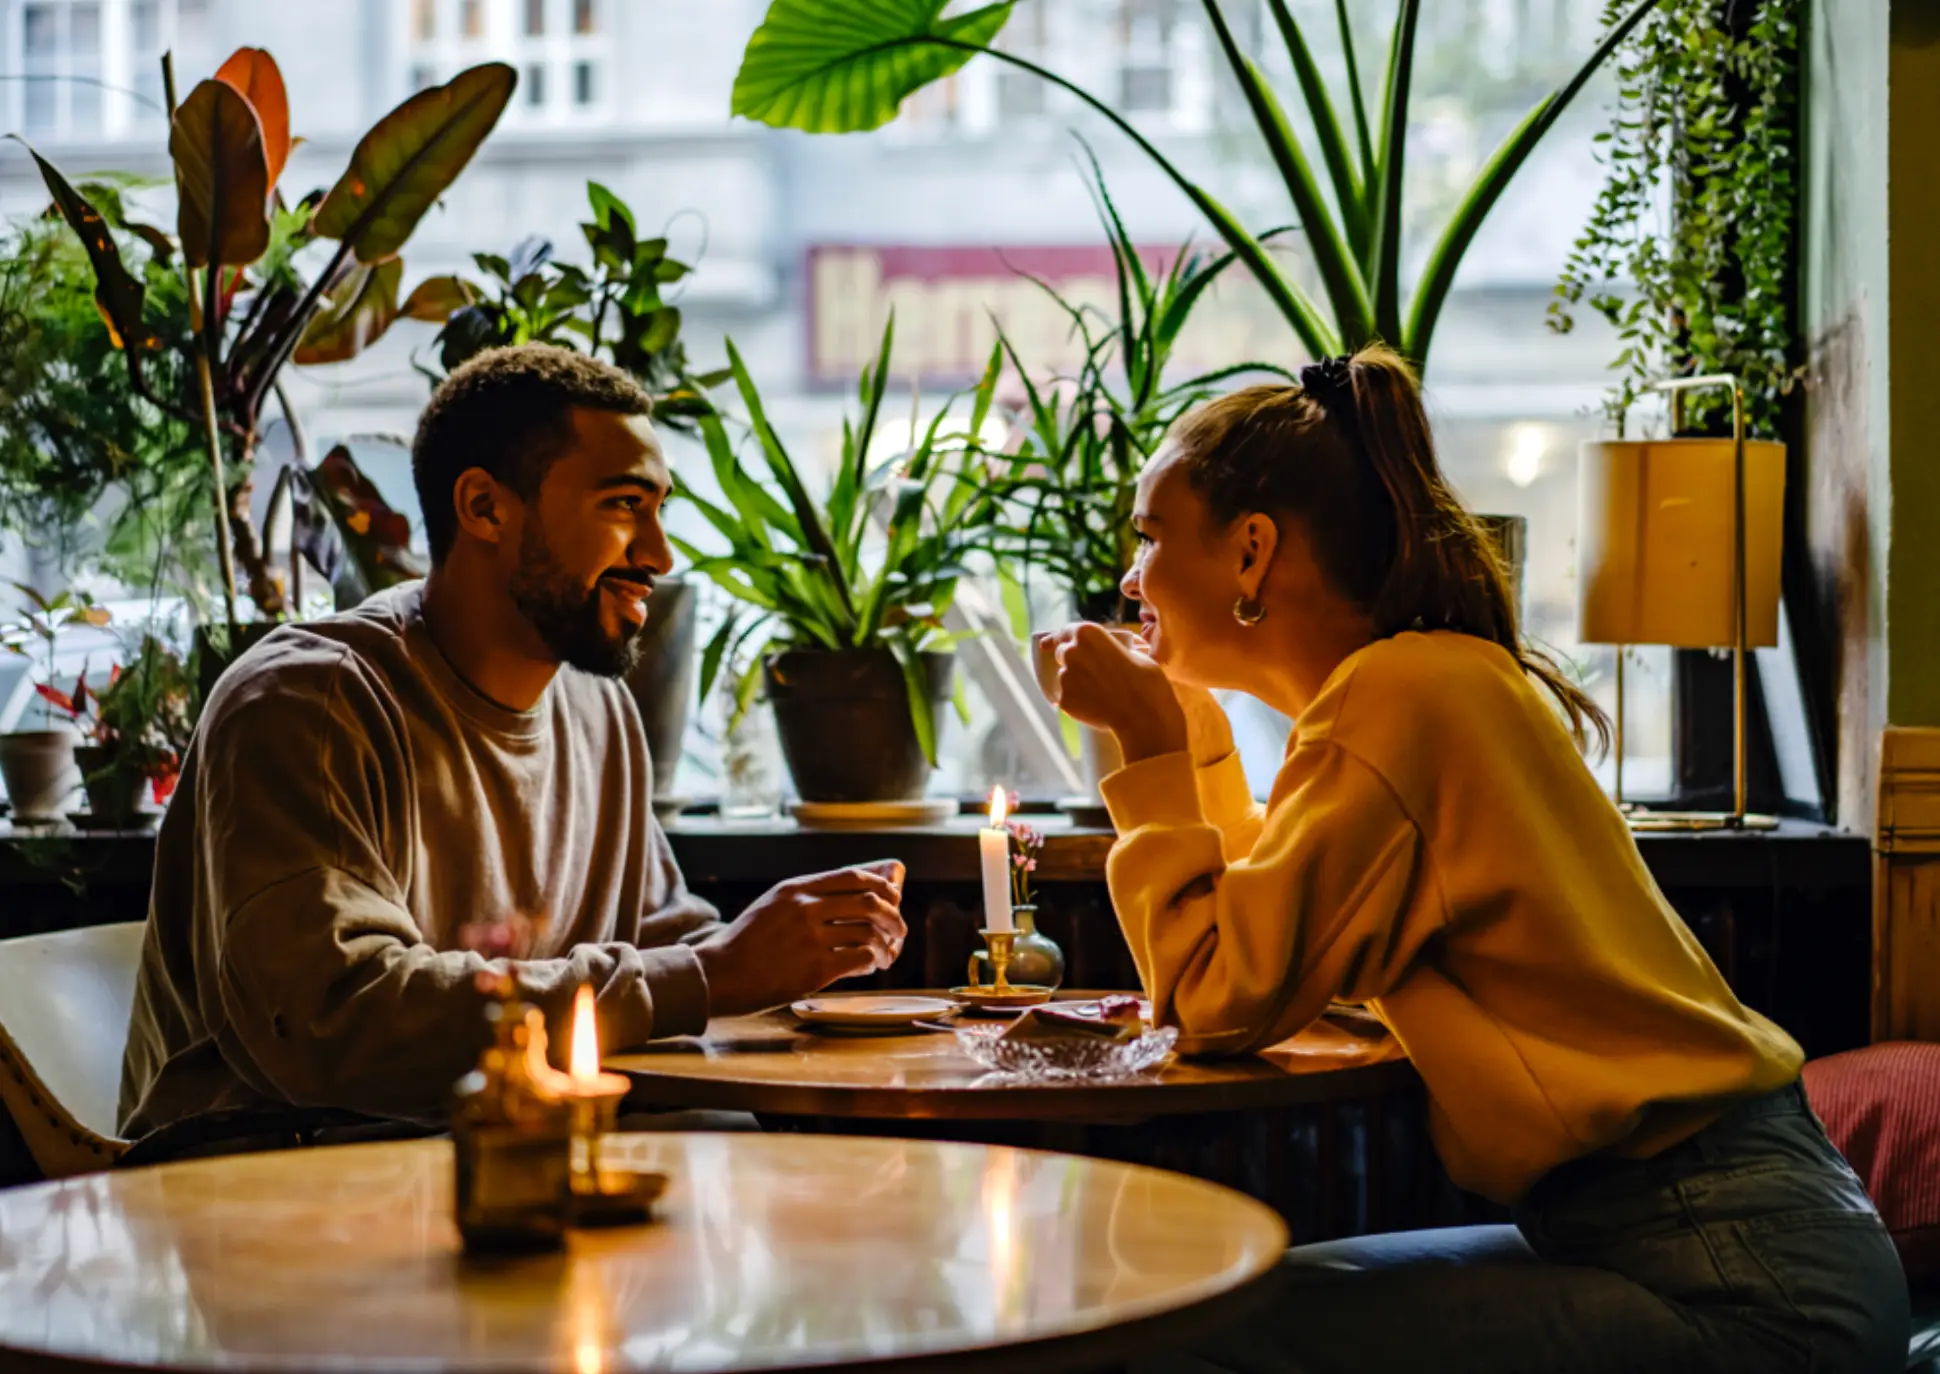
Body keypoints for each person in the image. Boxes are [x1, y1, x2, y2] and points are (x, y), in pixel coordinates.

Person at [1040, 346, 1910, 1374]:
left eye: (1147, 537)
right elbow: (1264, 942)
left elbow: (1216, 1001)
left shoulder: (1401, 698)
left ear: (1250, 552)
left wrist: (1148, 749)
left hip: (1739, 1282)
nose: (1129, 578)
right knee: (1215, 1305)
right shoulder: (1418, 688)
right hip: (1706, 1240)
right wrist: (1189, 737)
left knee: (1190, 1332)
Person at [120, 345, 906, 1142]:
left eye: (659, 509)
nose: (660, 556)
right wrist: (712, 973)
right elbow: (336, 1023)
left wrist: (799, 966)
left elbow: (665, 949)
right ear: (486, 508)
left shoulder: (599, 709)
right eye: (623, 505)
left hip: (500, 1150)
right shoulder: (307, 703)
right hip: (261, 1183)